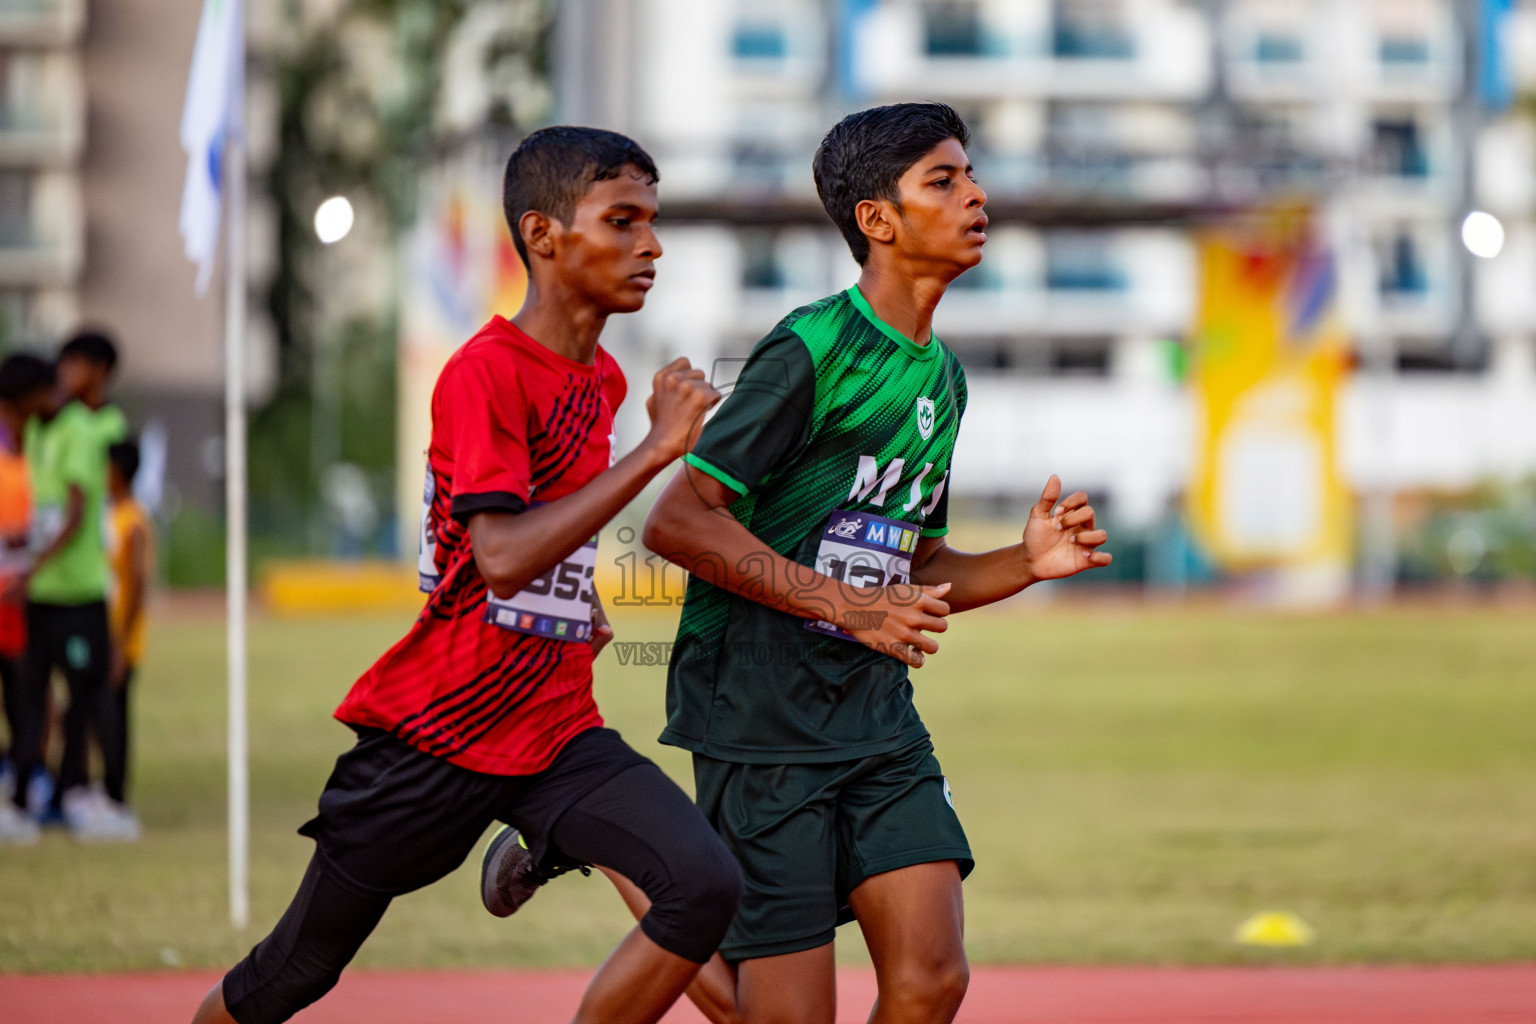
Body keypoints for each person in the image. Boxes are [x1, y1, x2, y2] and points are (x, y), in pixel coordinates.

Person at [517, 103, 1113, 1024]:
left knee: (931, 982)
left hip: (876, 720)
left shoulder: (942, 378)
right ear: (878, 220)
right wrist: (845, 605)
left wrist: (1024, 562)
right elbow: (677, 521)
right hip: (760, 722)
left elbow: (914, 565)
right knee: (786, 1019)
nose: (976, 195)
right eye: (944, 180)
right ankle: (626, 859)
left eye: (970, 174)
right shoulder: (811, 350)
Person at [190, 126, 740, 1024]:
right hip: (437, 734)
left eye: (654, 220)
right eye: (624, 220)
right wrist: (656, 451)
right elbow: (500, 556)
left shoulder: (599, 377)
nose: (653, 244)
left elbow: (548, 540)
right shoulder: (485, 373)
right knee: (294, 972)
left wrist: (582, 603)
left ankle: (542, 835)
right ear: (543, 235)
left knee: (704, 882)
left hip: (555, 726)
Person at [15, 331, 129, 839]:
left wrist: (31, 567)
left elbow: (79, 510)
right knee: (31, 700)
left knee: (85, 700)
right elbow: (39, 504)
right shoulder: (36, 432)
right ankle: (25, 795)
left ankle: (78, 794)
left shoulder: (85, 429)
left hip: (77, 592)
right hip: (37, 593)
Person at [0, 353, 55, 844]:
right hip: (4, 595)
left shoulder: (31, 442)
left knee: (26, 699)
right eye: (46, 389)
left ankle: (20, 796)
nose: (52, 399)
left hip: (20, 596)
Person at [101, 437, 151, 838]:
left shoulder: (132, 520)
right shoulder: (109, 514)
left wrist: (120, 642)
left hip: (121, 638)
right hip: (102, 632)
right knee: (98, 715)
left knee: (115, 718)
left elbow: (136, 583)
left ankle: (116, 797)